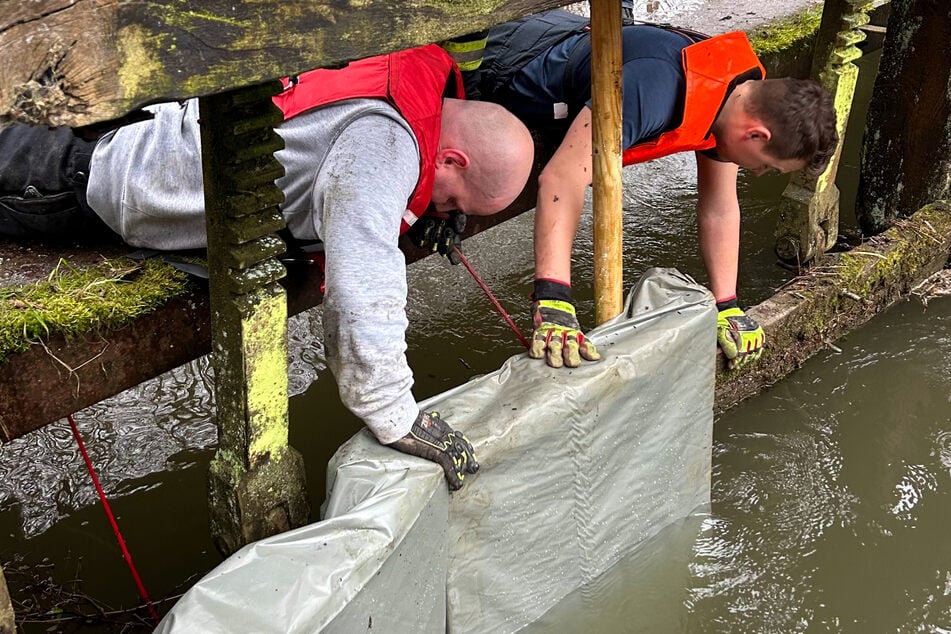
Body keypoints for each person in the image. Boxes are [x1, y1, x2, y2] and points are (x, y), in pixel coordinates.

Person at [0, 43, 536, 490]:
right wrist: (396, 415)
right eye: (453, 204)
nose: (443, 214)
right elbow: (362, 292)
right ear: (451, 158)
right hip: (89, 180)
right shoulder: (385, 148)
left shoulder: (411, 72)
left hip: (150, 125)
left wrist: (420, 209)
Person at [461, 9, 838, 370]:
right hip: (509, 57)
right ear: (756, 133)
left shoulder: (734, 95)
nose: (756, 172)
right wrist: (554, 299)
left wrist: (727, 306)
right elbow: (562, 178)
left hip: (563, 38)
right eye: (766, 165)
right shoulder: (652, 91)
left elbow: (720, 207)